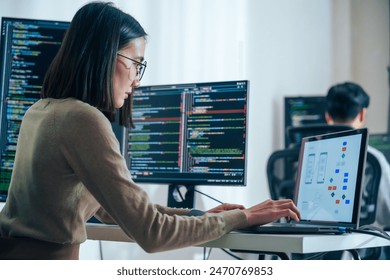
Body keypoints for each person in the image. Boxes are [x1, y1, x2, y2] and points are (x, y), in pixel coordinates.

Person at [0, 1, 300, 260]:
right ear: (105, 56)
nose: (137, 80)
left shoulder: (42, 110)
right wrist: (243, 217)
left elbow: (112, 208)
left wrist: (198, 216)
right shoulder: (82, 118)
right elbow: (152, 233)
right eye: (135, 63)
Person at [325, 82, 390, 259]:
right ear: (362, 114)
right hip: (361, 255)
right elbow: (388, 214)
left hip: (314, 253)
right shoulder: (373, 159)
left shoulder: (306, 156)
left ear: (327, 116)